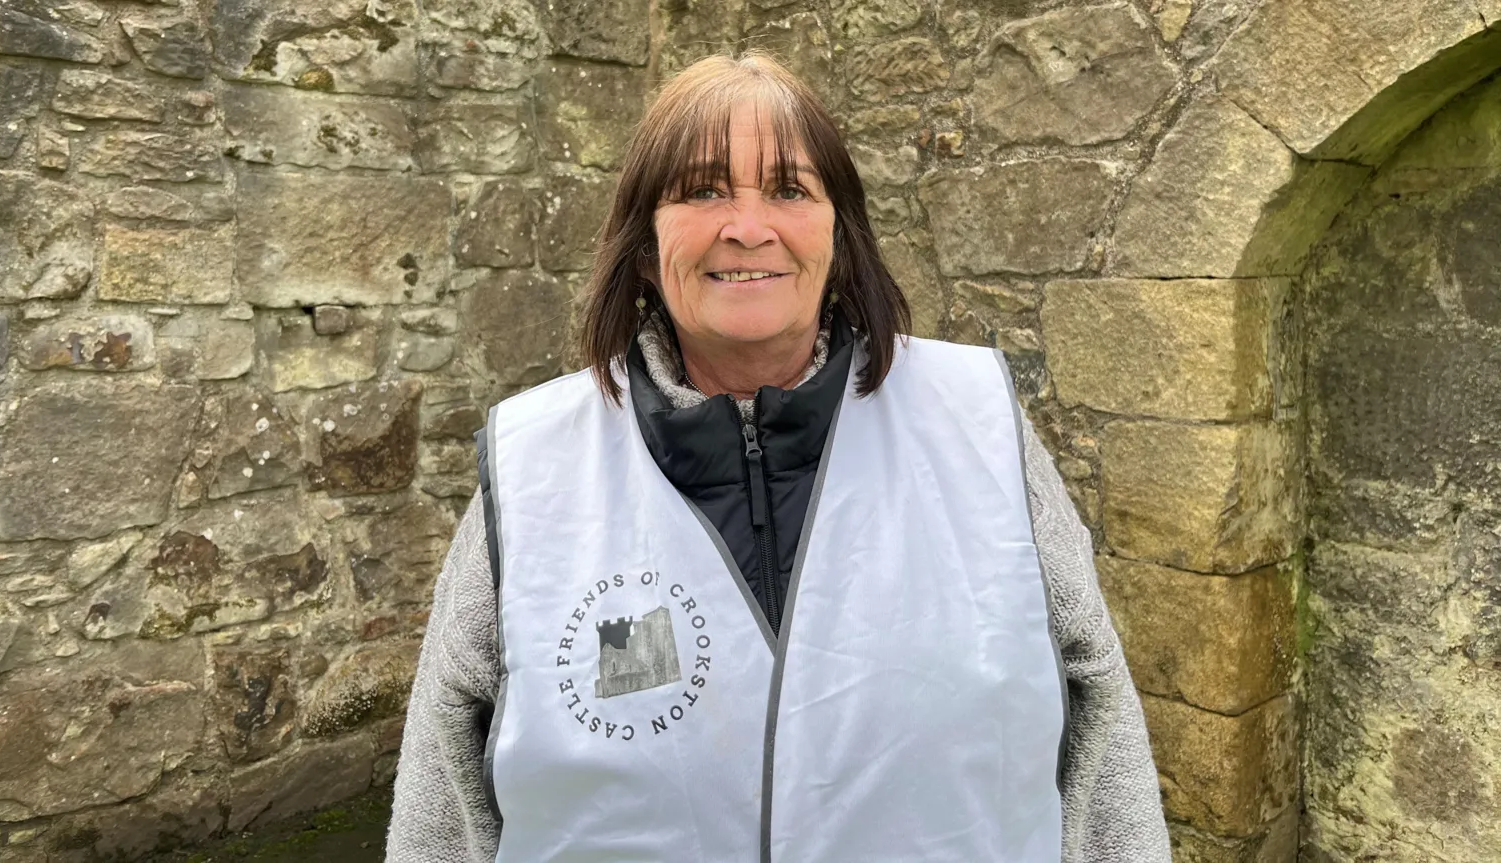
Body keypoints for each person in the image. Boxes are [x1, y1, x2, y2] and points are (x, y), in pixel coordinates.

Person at [386, 52, 1170, 863]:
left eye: (790, 189)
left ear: (839, 235)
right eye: (702, 189)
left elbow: (1104, 734)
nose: (748, 226)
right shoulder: (535, 466)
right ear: (647, 246)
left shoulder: (975, 423)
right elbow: (442, 798)